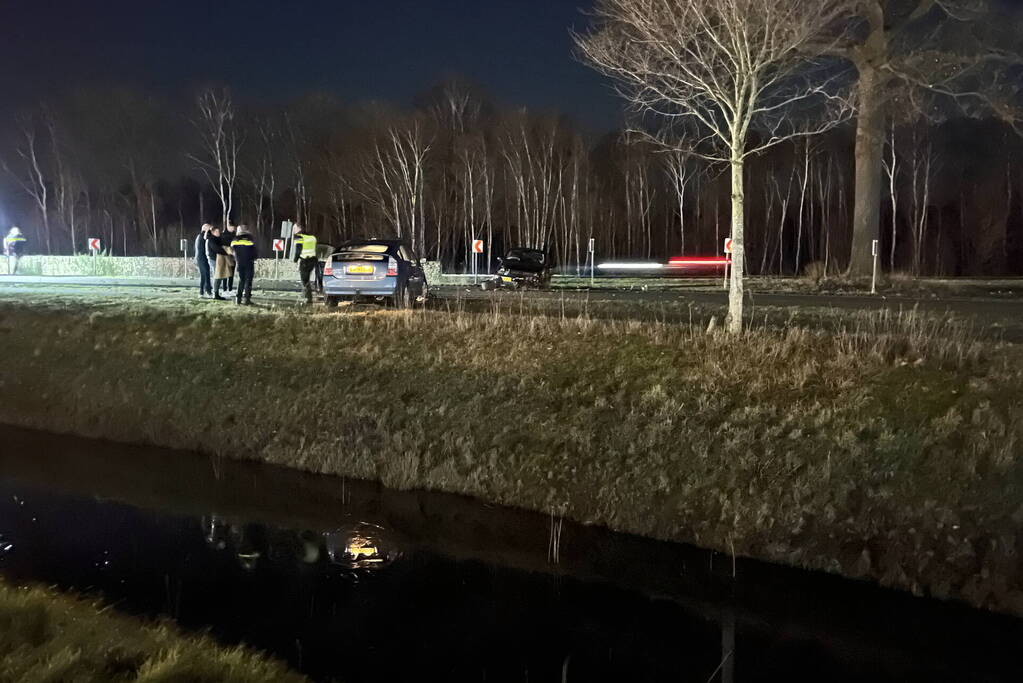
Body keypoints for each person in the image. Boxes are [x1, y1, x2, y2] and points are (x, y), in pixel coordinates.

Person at [230, 225, 258, 305]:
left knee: (241, 280)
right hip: (249, 263)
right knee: (248, 281)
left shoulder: (234, 240)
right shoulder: (250, 239)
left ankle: (238, 299)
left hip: (239, 263)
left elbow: (232, 251)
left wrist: (236, 259)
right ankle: (247, 299)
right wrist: (254, 257)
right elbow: (254, 251)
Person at [292, 223, 318, 304]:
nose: (293, 231)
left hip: (305, 261)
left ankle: (308, 298)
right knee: (307, 279)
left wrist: (295, 260)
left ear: (298, 229)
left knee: (305, 280)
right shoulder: (311, 237)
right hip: (313, 260)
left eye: (294, 229)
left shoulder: (299, 237)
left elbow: (298, 250)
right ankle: (309, 296)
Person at [206, 226, 228, 300]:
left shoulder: (217, 239)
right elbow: (217, 249)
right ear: (213, 232)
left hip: (218, 259)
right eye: (217, 232)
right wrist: (226, 252)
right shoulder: (211, 240)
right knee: (217, 276)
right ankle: (215, 294)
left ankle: (216, 293)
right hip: (214, 260)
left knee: (219, 276)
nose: (219, 233)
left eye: (219, 231)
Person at [195, 224, 214, 298]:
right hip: (203, 258)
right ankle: (208, 292)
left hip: (200, 258)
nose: (211, 230)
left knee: (203, 275)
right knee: (206, 275)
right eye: (209, 228)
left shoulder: (199, 236)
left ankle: (202, 292)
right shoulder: (203, 236)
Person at [222, 224, 237, 292]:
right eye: (232, 227)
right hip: (226, 257)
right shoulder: (223, 235)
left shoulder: (235, 235)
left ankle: (229, 289)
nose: (233, 228)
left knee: (231, 274)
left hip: (232, 257)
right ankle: (225, 289)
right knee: (226, 273)